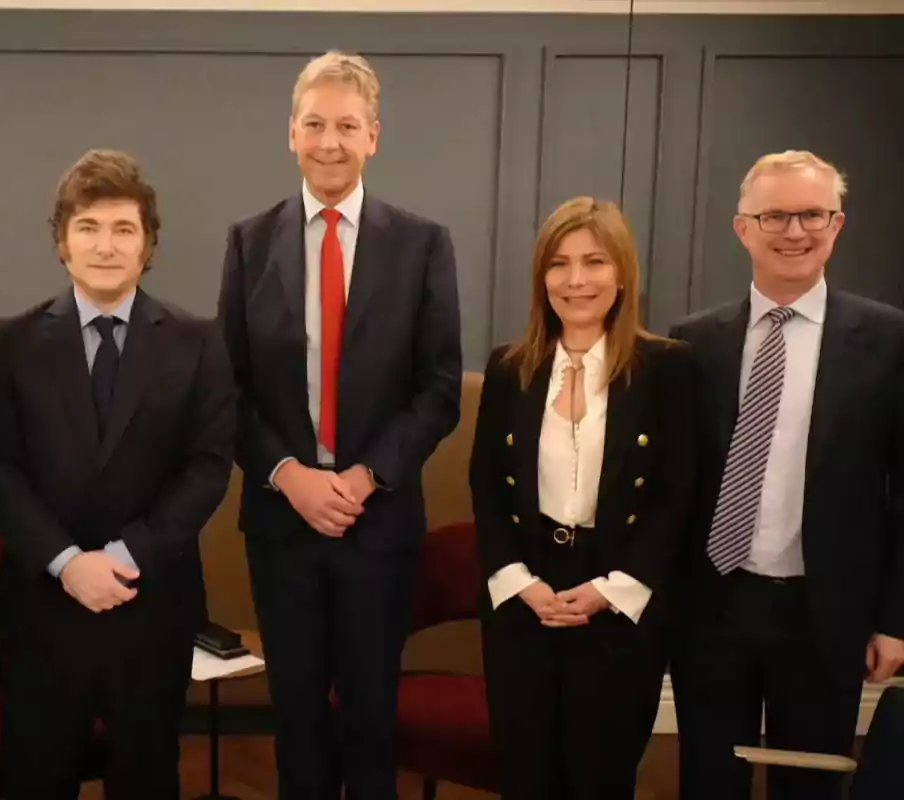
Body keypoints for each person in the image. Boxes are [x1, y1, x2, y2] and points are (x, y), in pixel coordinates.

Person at [217, 50, 462, 799]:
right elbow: (226, 390)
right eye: (316, 124)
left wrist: (361, 477)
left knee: (370, 718)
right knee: (294, 718)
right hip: (281, 524)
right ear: (291, 132)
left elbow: (441, 387)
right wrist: (290, 478)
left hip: (378, 521)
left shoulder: (422, 243)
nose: (330, 141)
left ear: (374, 137)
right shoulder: (248, 241)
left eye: (347, 126)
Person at [0, 149, 235, 800]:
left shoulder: (199, 342)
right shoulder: (8, 343)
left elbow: (206, 468)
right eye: (88, 228)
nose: (106, 246)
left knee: (146, 778)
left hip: (152, 606)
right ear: (61, 241)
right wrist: (67, 561)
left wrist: (122, 557)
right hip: (42, 609)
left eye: (123, 230)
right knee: (36, 776)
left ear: (148, 245)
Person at [670, 150, 904, 800]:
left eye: (811, 215)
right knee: (709, 780)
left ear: (837, 225)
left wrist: (895, 619)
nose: (794, 231)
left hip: (825, 610)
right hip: (713, 603)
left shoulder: (889, 340)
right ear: (743, 228)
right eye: (775, 215)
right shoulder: (693, 343)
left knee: (810, 784)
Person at [470, 197, 695, 799]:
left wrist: (609, 590)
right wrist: (519, 583)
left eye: (594, 262)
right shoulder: (508, 368)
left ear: (621, 274)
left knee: (600, 776)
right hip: (526, 595)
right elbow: (486, 488)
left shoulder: (666, 369)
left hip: (616, 598)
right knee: (526, 774)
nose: (576, 280)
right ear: (541, 278)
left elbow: (677, 496)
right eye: (559, 264)